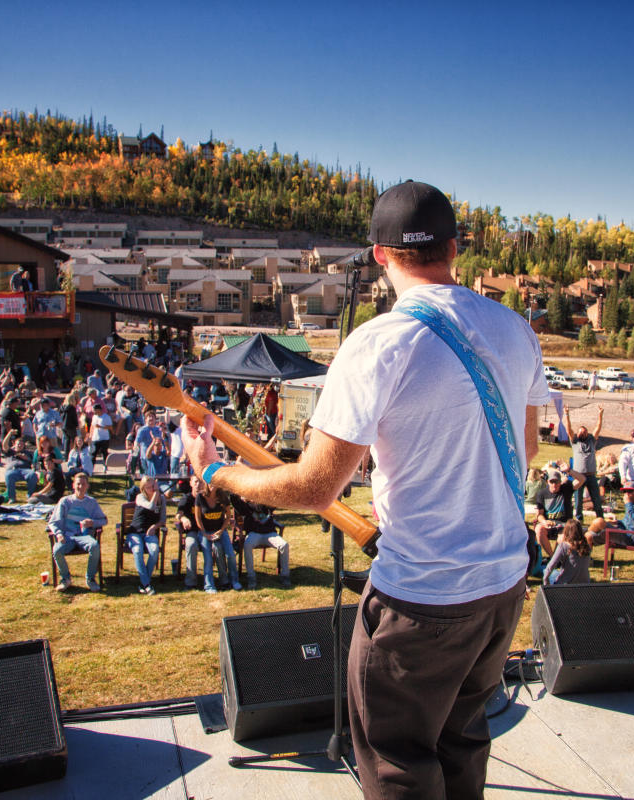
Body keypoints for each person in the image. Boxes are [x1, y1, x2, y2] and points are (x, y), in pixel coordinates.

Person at [180, 180, 546, 799]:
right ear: (455, 249)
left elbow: (314, 486)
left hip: (420, 602)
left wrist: (216, 472)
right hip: (503, 586)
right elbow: (528, 448)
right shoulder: (515, 329)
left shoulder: (377, 344)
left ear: (379, 255)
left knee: (397, 762)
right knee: (462, 746)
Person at [47, 472, 107, 592]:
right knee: (57, 550)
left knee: (95, 546)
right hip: (67, 537)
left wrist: (92, 523)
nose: (80, 487)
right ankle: (66, 579)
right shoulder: (65, 502)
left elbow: (104, 520)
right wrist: (59, 534)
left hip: (84, 537)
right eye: (78, 484)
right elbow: (53, 522)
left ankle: (90, 579)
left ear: (87, 486)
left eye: (83, 484)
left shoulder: (92, 502)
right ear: (73, 485)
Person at [193, 474, 240, 594]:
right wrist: (204, 533)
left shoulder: (223, 497)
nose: (213, 485)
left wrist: (221, 530)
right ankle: (209, 585)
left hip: (220, 531)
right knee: (208, 557)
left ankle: (234, 580)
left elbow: (228, 516)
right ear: (207, 483)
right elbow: (197, 517)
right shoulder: (200, 497)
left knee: (230, 554)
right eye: (211, 482)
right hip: (204, 531)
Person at [232, 495, 291, 589]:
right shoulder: (246, 506)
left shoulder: (266, 503)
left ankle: (285, 575)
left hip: (270, 534)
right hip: (254, 534)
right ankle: (251, 576)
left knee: (284, 545)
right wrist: (236, 494)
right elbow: (235, 502)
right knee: (247, 545)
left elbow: (278, 499)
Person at [564, 405, 605, 522]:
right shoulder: (575, 441)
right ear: (577, 433)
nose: (583, 432)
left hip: (591, 475)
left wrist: (600, 414)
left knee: (596, 499)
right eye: (581, 431)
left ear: (587, 433)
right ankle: (579, 519)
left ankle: (600, 519)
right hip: (578, 475)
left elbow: (598, 428)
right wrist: (567, 414)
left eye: (585, 431)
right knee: (578, 500)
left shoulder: (592, 440)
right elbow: (569, 429)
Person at [533, 468, 586, 557]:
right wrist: (544, 522)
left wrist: (569, 470)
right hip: (549, 525)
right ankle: (552, 557)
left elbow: (582, 479)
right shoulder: (541, 494)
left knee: (562, 538)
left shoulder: (566, 489)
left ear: (560, 482)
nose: (554, 485)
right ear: (547, 482)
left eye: (557, 482)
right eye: (552, 482)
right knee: (538, 529)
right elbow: (540, 515)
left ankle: (557, 559)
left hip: (564, 525)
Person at [127, 475, 165, 595]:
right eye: (148, 487)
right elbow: (151, 506)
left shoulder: (162, 499)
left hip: (150, 532)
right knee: (137, 550)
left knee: (154, 551)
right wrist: (157, 493)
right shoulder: (140, 497)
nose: (151, 490)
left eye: (153, 487)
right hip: (135, 532)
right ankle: (147, 584)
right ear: (143, 488)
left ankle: (144, 582)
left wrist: (154, 527)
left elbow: (163, 519)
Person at [542, 518, 594, 585]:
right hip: (584, 584)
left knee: (547, 571)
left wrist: (546, 583)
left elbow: (550, 566)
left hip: (566, 585)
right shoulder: (587, 546)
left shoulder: (564, 546)